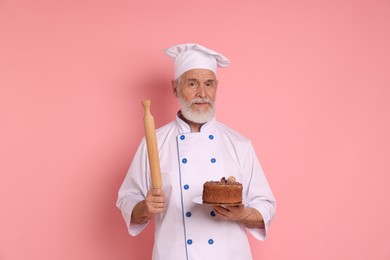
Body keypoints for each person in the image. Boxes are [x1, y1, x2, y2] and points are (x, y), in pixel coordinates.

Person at [116, 43, 276, 260]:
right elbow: (127, 198)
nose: (202, 93)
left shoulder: (239, 144)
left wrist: (245, 213)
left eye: (209, 84)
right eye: (192, 83)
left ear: (216, 87)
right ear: (175, 88)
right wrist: (144, 207)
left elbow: (265, 205)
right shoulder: (154, 142)